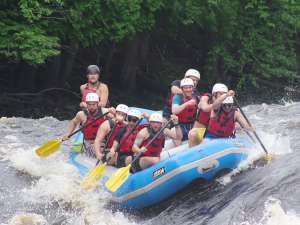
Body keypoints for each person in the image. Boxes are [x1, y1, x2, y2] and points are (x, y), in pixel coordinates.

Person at [63, 93, 114, 157]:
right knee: (101, 151)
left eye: (93, 104)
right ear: (86, 104)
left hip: (104, 142)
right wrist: (69, 133)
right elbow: (74, 122)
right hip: (90, 143)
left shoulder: (105, 112)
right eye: (89, 104)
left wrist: (114, 113)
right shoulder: (81, 114)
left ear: (97, 103)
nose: (91, 107)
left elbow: (118, 120)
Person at [171, 78, 199, 145]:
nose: (188, 90)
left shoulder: (197, 97)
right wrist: (187, 103)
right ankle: (179, 150)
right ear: (182, 89)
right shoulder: (178, 97)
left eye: (190, 87)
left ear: (193, 88)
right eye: (186, 88)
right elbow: (174, 110)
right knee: (173, 132)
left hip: (192, 125)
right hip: (180, 125)